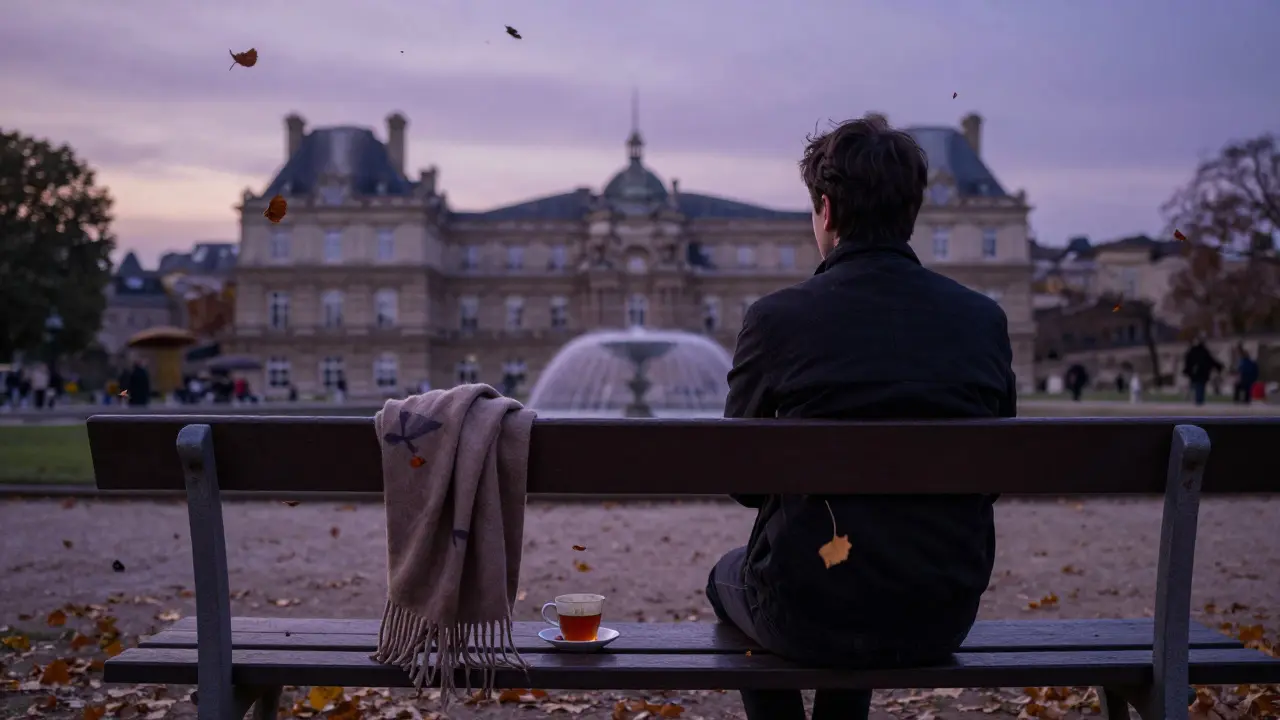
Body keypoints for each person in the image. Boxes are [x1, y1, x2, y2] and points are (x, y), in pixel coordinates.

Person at [706, 114, 1015, 720]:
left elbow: (743, 485)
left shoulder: (776, 319)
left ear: (825, 210)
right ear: (913, 212)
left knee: (732, 577)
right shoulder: (982, 319)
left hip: (806, 611)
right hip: (940, 611)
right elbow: (991, 477)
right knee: (867, 564)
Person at [1182, 336, 1222, 406]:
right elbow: (1211, 361)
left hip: (1195, 373)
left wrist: (1187, 370)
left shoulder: (1192, 351)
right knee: (1200, 387)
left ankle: (1197, 401)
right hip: (1202, 374)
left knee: (1197, 387)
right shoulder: (1203, 351)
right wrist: (1219, 367)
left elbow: (1188, 361)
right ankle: (1199, 401)